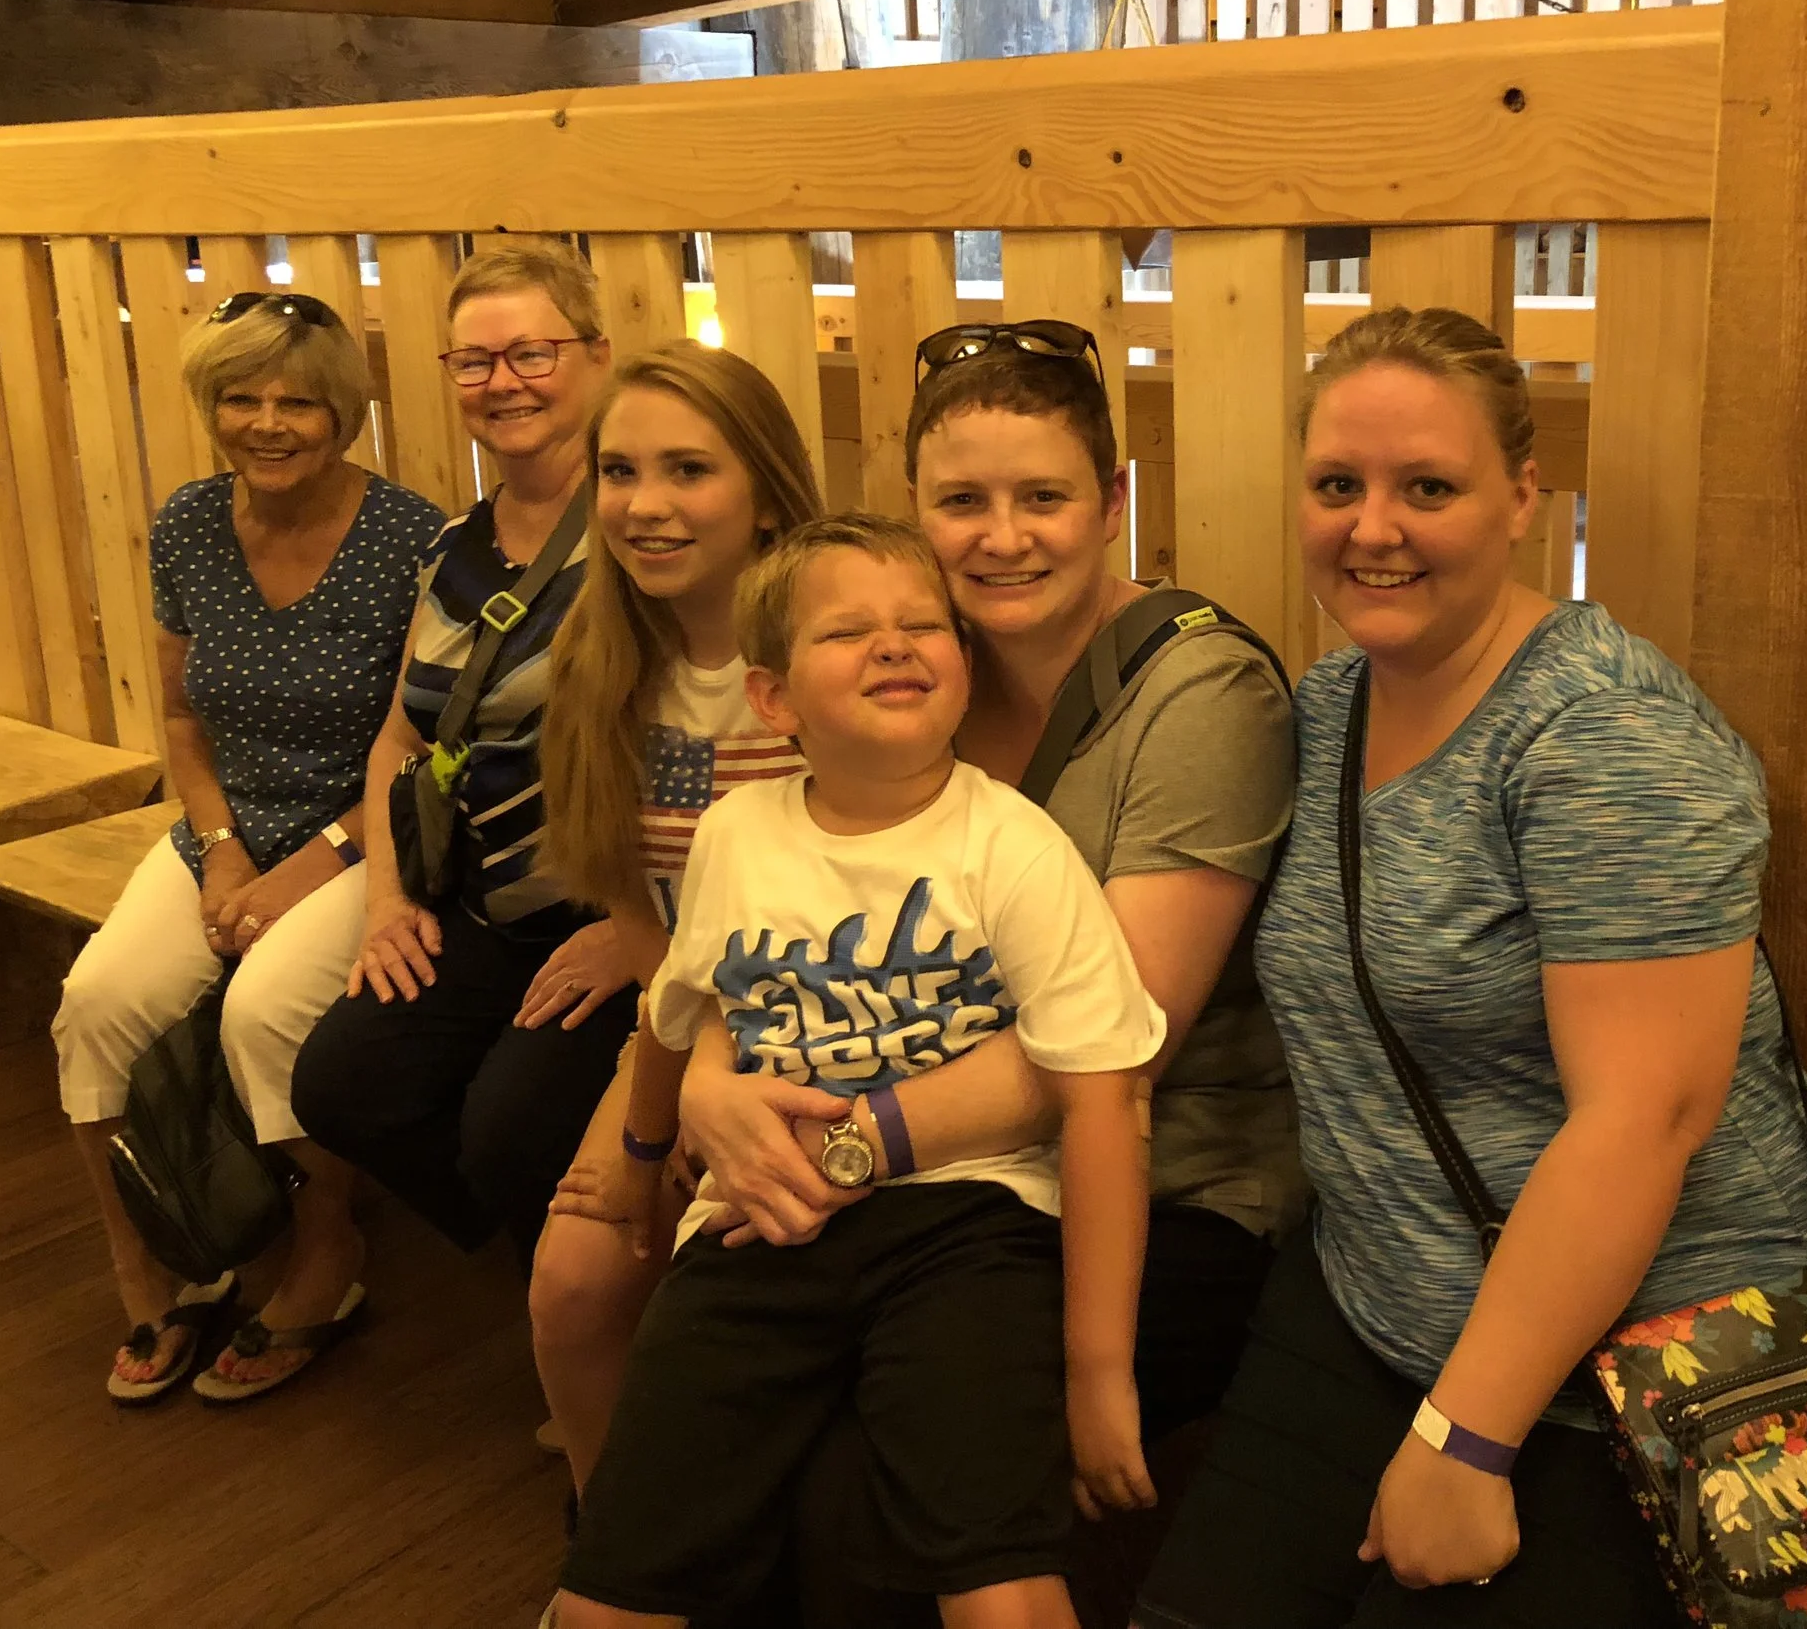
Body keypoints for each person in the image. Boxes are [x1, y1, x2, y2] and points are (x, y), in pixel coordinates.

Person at [1131, 307, 1807, 1629]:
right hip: (1371, 1296)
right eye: (1338, 485)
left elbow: (1645, 1117)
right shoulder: (1324, 710)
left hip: (1649, 1361)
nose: (1374, 528)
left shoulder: (1606, 739)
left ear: (1521, 499)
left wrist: (1466, 1438)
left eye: (1428, 488)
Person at [656, 320, 1302, 1618]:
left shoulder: (1200, 696)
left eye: (1043, 498)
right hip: (934, 1176)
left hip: (1164, 1183)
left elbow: (1119, 1048)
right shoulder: (914, 667)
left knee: (851, 1494)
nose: (1002, 537)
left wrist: (827, 1153)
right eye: (962, 502)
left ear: (1111, 502)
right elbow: (789, 915)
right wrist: (709, 1083)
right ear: (917, 510)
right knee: (728, 1424)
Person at [552, 514, 1166, 1629]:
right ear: (773, 698)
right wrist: (641, 1160)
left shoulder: (1014, 847)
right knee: (612, 1588)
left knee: (997, 1581)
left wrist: (1098, 1373)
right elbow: (676, 1011)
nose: (893, 645)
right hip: (757, 1225)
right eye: (847, 632)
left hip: (968, 1224)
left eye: (922, 625)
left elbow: (1105, 1100)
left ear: (962, 667)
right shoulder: (736, 834)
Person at [51, 289, 443, 1405]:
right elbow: (182, 717)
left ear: (343, 415)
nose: (267, 423)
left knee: (264, 1007)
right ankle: (150, 1259)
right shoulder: (187, 523)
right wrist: (222, 852)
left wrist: (300, 873)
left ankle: (328, 1248)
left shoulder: (413, 539)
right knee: (98, 999)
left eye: (298, 403)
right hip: (226, 829)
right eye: (241, 397)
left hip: (361, 837)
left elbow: (420, 748)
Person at [519, 338, 826, 1496]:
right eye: (620, 471)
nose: (645, 506)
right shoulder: (596, 659)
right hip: (684, 1028)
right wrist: (675, 1096)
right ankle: (610, 1535)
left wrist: (710, 1102)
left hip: (847, 1034)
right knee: (573, 1283)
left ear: (765, 495)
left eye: (688, 470)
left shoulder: (832, 649)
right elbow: (638, 912)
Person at [289, 242, 630, 1270]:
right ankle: (552, 1258)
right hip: (479, 900)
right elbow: (402, 737)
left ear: (597, 355)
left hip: (610, 909)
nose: (503, 381)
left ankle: (589, 1287)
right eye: (475, 361)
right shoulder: (450, 550)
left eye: (532, 352)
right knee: (342, 1087)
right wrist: (388, 903)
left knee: (508, 1130)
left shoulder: (641, 536)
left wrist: (644, 931)